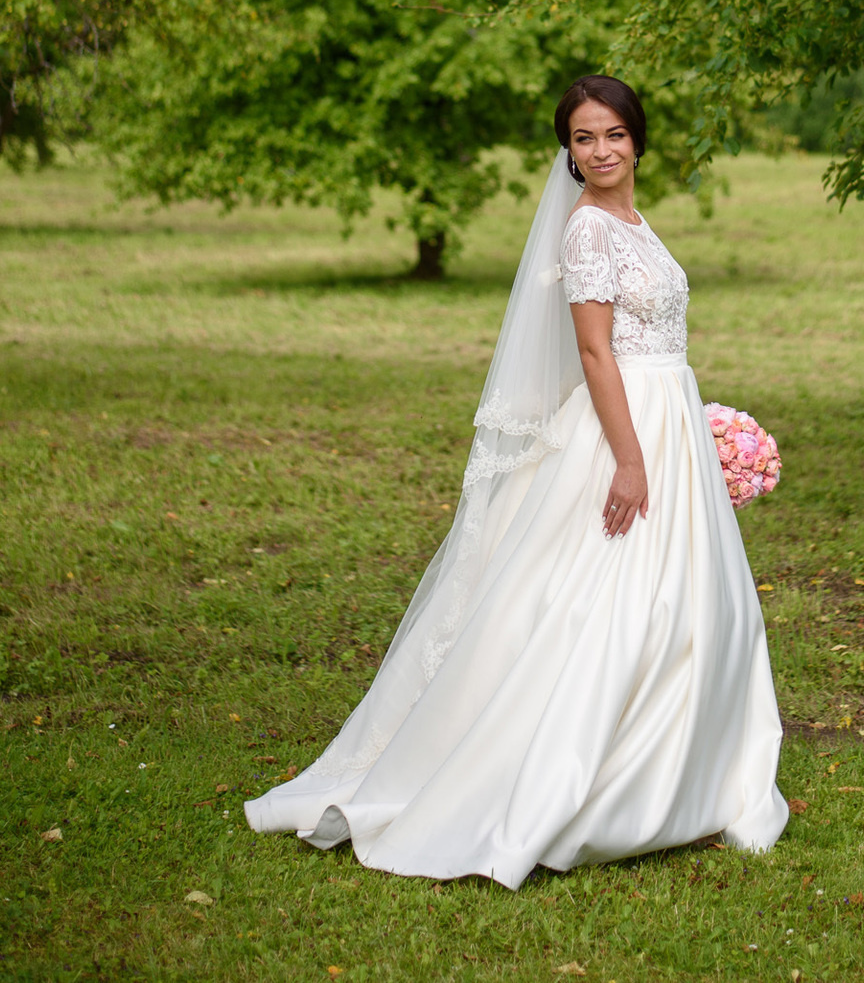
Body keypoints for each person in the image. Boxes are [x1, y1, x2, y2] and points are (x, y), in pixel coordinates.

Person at [245, 75, 789, 885]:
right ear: (566, 152)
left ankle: (686, 768)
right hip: (623, 434)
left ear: (638, 138)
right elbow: (599, 352)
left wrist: (689, 424)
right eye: (582, 138)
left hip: (664, 415)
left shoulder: (636, 223)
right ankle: (589, 780)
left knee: (689, 604)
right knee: (607, 608)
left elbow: (653, 341)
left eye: (612, 134)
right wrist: (633, 458)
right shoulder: (589, 232)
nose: (600, 150)